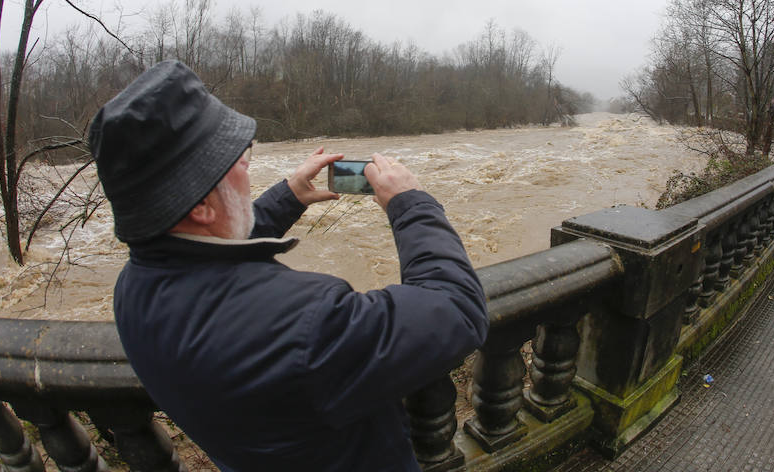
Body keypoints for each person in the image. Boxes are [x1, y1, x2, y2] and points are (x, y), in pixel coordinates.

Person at [88, 60, 489, 471]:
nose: (248, 174)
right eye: (243, 164)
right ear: (201, 206)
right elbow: (458, 310)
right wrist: (410, 202)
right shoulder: (307, 325)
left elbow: (204, 251)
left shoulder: (133, 289)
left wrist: (289, 196)